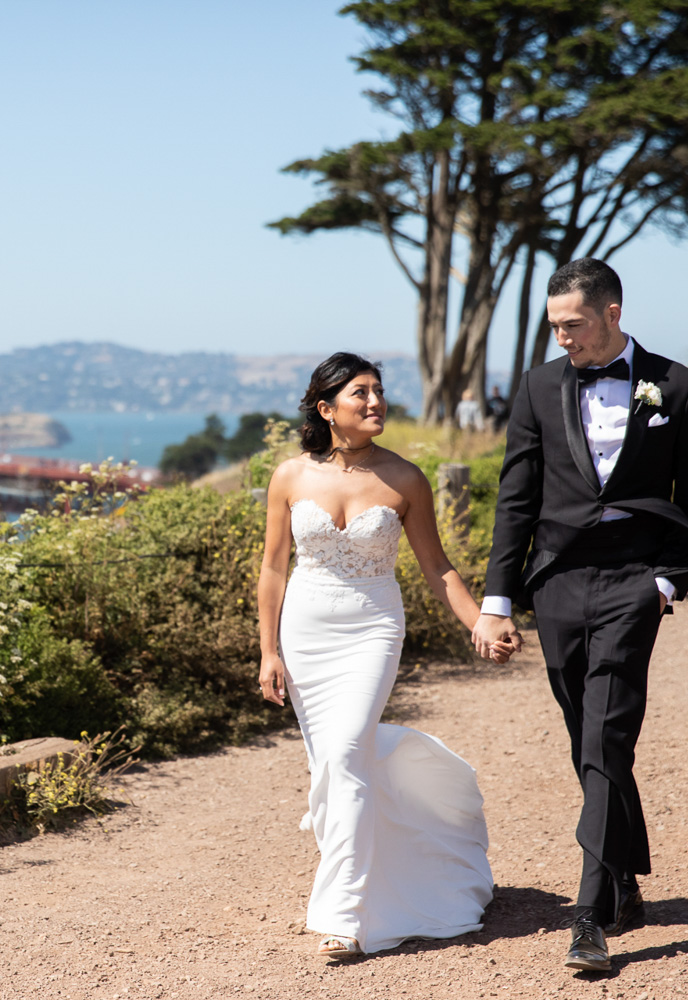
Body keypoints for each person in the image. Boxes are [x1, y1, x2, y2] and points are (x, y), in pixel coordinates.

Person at [471, 258, 688, 972]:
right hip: (557, 583)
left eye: (572, 325)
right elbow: (516, 498)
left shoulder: (678, 386)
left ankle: (591, 915)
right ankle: (624, 875)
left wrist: (668, 583)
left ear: (613, 313)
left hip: (633, 584)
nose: (562, 339)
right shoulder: (539, 386)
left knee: (607, 729)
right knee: (590, 736)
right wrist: (497, 600)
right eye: (554, 327)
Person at [257, 352, 504, 960]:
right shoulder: (291, 475)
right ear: (326, 408)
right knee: (337, 765)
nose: (375, 403)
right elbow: (271, 567)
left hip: (372, 628)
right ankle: (393, 875)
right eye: (360, 394)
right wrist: (268, 652)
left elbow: (438, 568)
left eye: (379, 392)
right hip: (306, 632)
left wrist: (483, 624)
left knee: (343, 754)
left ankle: (343, 915)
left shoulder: (406, 479)